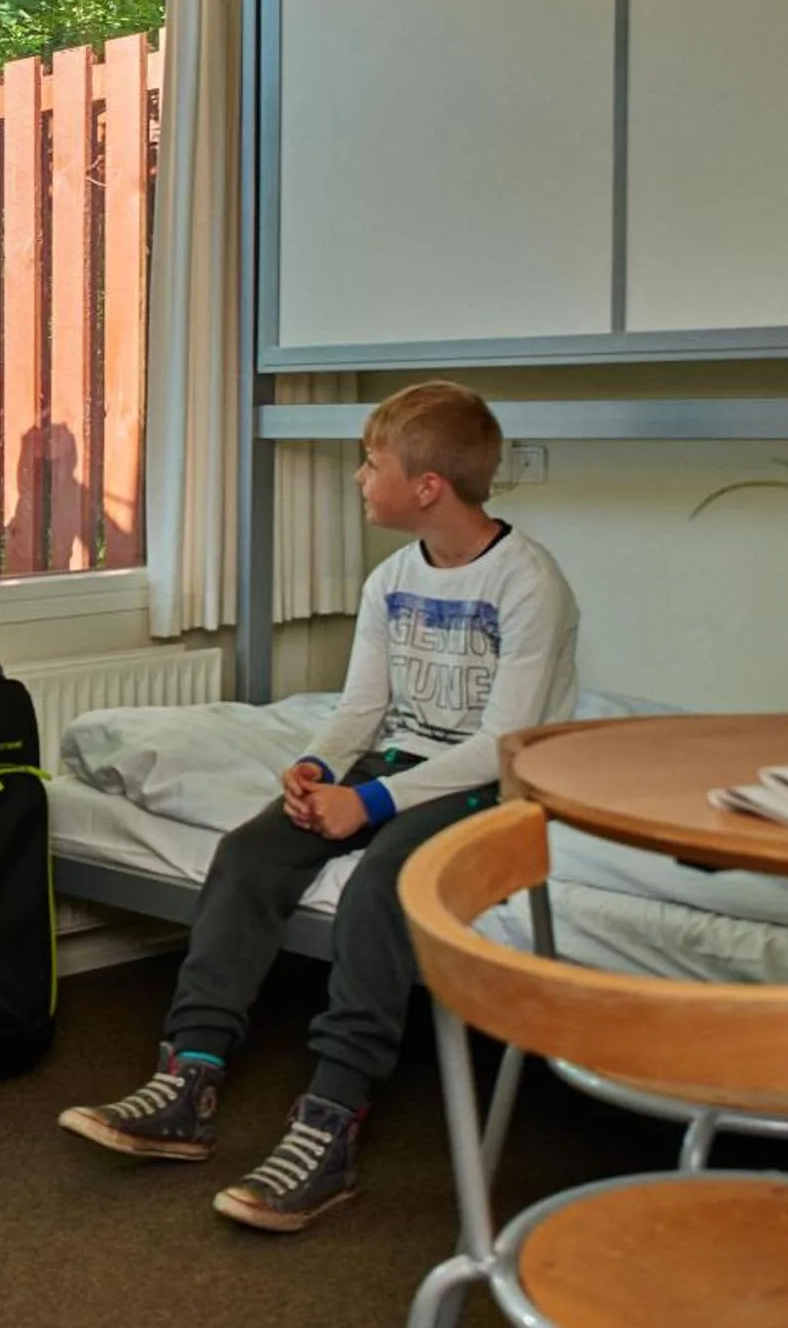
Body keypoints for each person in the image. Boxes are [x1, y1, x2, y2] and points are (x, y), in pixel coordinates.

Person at [56, 381, 579, 1233]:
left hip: (491, 781)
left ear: (428, 487)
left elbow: (502, 741)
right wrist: (316, 767)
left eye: (371, 464)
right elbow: (360, 707)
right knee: (250, 853)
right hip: (401, 759)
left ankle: (331, 1121)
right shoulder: (392, 578)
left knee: (381, 886)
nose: (359, 478)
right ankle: (189, 1078)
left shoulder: (528, 583)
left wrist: (366, 802)